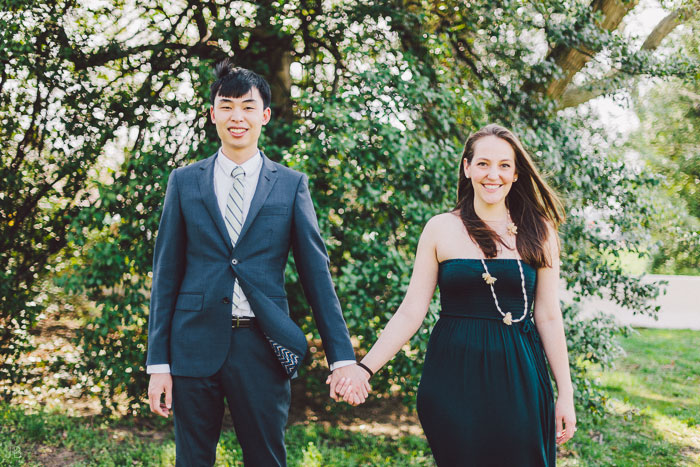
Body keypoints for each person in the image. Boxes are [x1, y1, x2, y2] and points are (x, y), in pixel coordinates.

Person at [146, 59, 370, 466]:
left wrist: (342, 359)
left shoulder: (290, 184)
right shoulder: (183, 181)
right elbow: (166, 276)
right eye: (227, 105)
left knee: (267, 458)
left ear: (264, 115)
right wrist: (158, 364)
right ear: (212, 113)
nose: (237, 116)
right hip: (192, 343)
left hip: (262, 345)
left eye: (248, 107)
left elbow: (316, 275)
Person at [334, 124, 576, 465]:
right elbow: (411, 311)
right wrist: (365, 368)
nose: (494, 174)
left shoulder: (540, 231)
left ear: (517, 173)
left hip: (520, 375)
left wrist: (565, 394)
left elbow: (549, 315)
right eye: (483, 163)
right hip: (452, 379)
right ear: (467, 167)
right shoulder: (440, 228)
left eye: (505, 165)